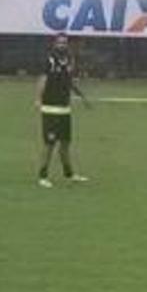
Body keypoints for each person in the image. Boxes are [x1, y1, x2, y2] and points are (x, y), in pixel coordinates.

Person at [36, 33, 93, 187]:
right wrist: (38, 99)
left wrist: (82, 97)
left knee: (66, 144)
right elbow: (43, 79)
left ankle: (69, 174)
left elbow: (69, 82)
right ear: (55, 43)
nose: (62, 45)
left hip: (64, 109)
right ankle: (43, 176)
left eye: (64, 42)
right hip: (50, 108)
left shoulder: (69, 60)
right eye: (60, 42)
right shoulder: (49, 59)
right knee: (49, 144)